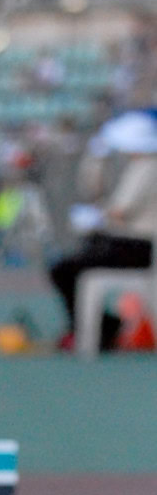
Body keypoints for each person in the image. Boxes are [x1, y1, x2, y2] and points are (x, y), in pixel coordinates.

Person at [48, 112, 157, 351]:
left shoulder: (148, 167)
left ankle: (97, 328)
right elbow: (96, 190)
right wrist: (95, 162)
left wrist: (96, 216)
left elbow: (120, 211)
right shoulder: (139, 166)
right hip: (129, 242)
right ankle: (100, 325)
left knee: (64, 269)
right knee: (74, 261)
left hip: (137, 247)